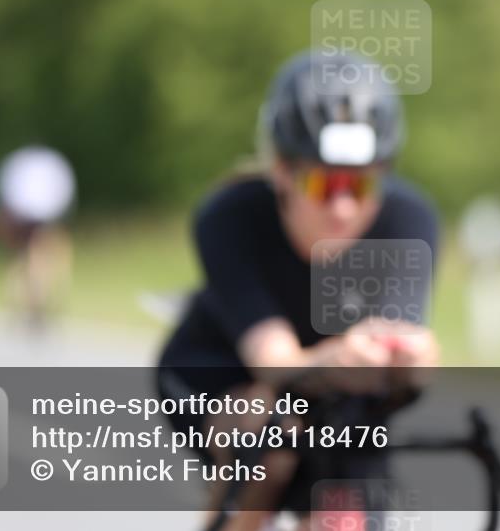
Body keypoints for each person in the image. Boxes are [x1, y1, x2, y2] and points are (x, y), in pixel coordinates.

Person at [155, 51, 440, 531]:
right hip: (223, 370)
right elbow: (274, 362)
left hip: (338, 389)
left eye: (362, 184)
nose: (344, 207)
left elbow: (401, 347)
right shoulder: (228, 217)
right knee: (269, 440)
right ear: (282, 170)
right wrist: (339, 359)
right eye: (323, 183)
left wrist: (413, 361)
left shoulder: (410, 219)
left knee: (343, 512)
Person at [0, 145, 77, 332]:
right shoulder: (44, 168)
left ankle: (25, 306)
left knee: (24, 261)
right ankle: (34, 305)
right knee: (36, 261)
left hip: (26, 216)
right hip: (37, 217)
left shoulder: (27, 166)